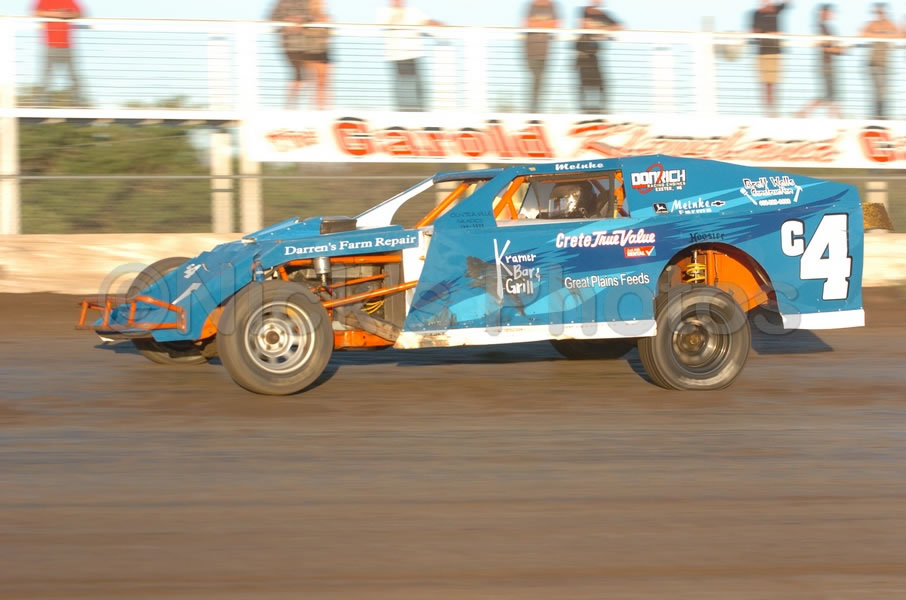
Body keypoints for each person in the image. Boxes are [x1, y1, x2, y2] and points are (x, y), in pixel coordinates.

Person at [377, 0, 441, 112]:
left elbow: (427, 21)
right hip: (397, 57)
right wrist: (398, 12)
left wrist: (440, 25)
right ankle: (403, 112)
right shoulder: (384, 12)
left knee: (418, 87)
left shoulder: (413, 11)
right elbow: (387, 24)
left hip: (414, 55)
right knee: (403, 88)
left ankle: (421, 112)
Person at [33, 0, 84, 106]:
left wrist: (64, 15)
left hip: (67, 46)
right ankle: (41, 107)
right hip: (49, 46)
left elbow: (80, 13)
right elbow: (37, 12)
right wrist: (59, 14)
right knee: (45, 78)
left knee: (74, 78)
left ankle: (78, 106)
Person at [798, 4, 842, 119]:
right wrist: (837, 49)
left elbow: (832, 45)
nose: (832, 14)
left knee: (831, 94)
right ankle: (804, 112)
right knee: (829, 95)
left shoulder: (826, 27)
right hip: (826, 63)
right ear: (824, 13)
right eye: (829, 12)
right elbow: (823, 46)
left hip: (828, 63)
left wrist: (838, 49)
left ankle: (834, 116)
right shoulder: (821, 27)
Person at [575, 1, 620, 114]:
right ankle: (584, 112)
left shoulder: (603, 15)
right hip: (582, 54)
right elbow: (584, 25)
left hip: (594, 55)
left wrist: (599, 30)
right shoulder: (583, 11)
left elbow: (619, 26)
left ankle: (600, 112)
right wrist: (603, 30)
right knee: (584, 85)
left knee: (601, 84)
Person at [751, 0, 790, 117]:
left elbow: (787, 3)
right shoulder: (757, 13)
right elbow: (754, 33)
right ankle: (768, 113)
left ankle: (774, 112)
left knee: (775, 84)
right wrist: (770, 33)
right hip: (763, 53)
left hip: (776, 52)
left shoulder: (776, 9)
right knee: (766, 85)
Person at [270, 0, 311, 109]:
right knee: (298, 74)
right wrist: (287, 21)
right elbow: (272, 18)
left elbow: (312, 17)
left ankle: (292, 105)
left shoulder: (307, 2)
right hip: (289, 44)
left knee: (305, 76)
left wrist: (303, 21)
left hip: (306, 44)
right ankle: (290, 106)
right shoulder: (282, 2)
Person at [861, 3, 899, 119]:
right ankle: (877, 116)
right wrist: (880, 34)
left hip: (884, 63)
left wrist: (881, 35)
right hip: (873, 63)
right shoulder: (872, 24)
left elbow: (901, 35)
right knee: (878, 92)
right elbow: (862, 34)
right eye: (876, 12)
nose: (878, 14)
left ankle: (880, 116)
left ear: (885, 13)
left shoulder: (890, 24)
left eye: (880, 12)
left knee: (882, 92)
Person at [524, 0, 561, 113]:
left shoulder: (552, 6)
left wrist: (538, 22)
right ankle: (532, 110)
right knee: (536, 79)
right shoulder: (532, 5)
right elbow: (528, 23)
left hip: (546, 51)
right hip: (531, 49)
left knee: (541, 80)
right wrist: (546, 23)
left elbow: (556, 24)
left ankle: (535, 109)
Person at [304, 0, 331, 110]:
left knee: (323, 83)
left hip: (323, 52)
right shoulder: (307, 18)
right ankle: (315, 108)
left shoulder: (326, 17)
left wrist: (325, 24)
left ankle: (323, 107)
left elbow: (327, 35)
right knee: (313, 83)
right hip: (310, 52)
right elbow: (305, 33)